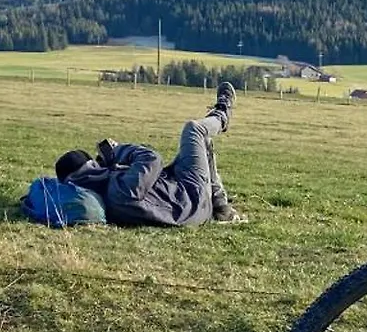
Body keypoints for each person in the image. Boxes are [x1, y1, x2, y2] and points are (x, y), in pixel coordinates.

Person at [55, 81, 246, 225]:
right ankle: (222, 113)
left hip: (179, 192)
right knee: (194, 130)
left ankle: (221, 206)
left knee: (202, 143)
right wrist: (117, 151)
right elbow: (152, 158)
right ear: (92, 167)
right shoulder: (119, 190)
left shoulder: (105, 191)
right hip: (191, 199)